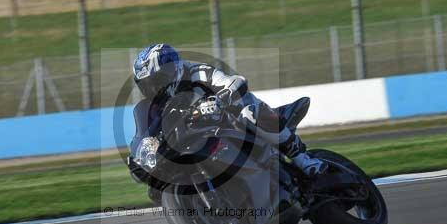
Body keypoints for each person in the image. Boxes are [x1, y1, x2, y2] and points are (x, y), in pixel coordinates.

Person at [128, 43, 325, 181]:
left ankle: (303, 159)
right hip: (197, 139)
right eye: (147, 85)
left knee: (248, 111)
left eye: (158, 80)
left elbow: (233, 82)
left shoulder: (196, 72)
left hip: (229, 121)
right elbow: (142, 134)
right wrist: (139, 156)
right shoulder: (150, 107)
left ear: (174, 69)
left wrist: (219, 99)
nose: (154, 88)